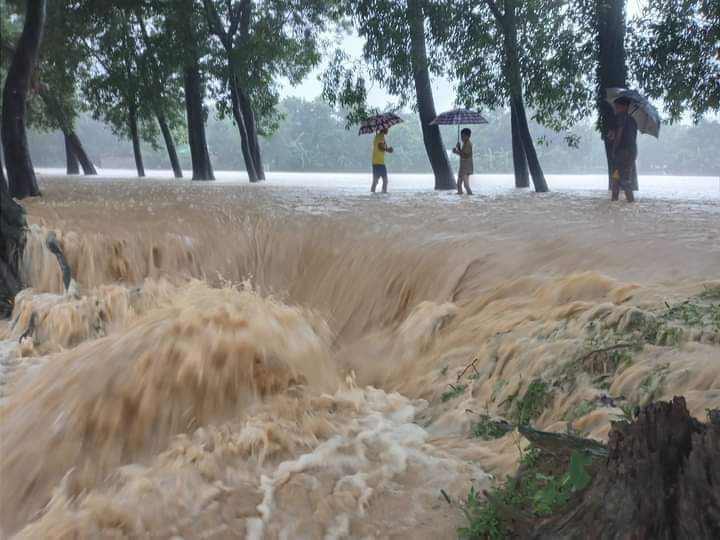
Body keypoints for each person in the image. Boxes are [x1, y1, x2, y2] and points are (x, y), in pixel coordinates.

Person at [608, 97, 637, 202]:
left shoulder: (621, 118)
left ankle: (631, 202)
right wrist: (612, 134)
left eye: (617, 106)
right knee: (616, 179)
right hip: (631, 152)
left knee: (625, 180)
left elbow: (619, 136)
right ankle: (614, 203)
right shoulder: (632, 120)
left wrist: (614, 149)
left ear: (624, 107)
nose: (615, 108)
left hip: (623, 153)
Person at [371, 127, 393, 193]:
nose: (388, 129)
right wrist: (388, 149)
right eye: (387, 128)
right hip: (379, 162)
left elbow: (383, 147)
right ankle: (383, 194)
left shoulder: (379, 136)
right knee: (385, 180)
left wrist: (388, 149)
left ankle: (372, 193)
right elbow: (380, 146)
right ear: (383, 129)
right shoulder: (380, 136)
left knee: (375, 181)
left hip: (376, 161)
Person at [452, 128, 473, 195]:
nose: (462, 137)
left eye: (463, 136)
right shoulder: (465, 144)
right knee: (458, 184)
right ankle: (460, 194)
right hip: (462, 167)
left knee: (466, 185)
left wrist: (458, 149)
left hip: (466, 167)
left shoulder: (468, 144)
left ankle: (470, 195)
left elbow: (465, 155)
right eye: (461, 136)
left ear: (468, 136)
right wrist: (457, 150)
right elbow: (462, 154)